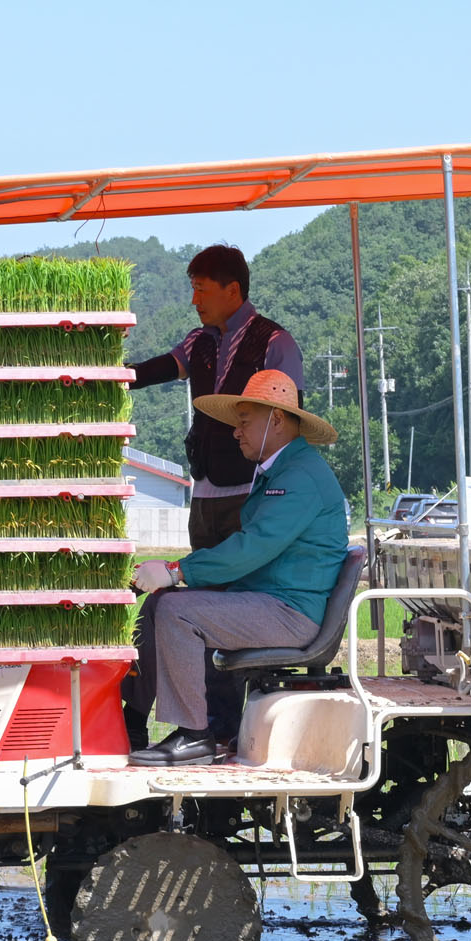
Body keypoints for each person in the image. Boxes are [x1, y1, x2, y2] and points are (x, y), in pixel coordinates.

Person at [126, 370, 348, 766]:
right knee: (160, 604)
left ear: (276, 421)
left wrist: (177, 571)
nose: (236, 432)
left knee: (177, 612)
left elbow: (252, 548)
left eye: (244, 421)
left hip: (289, 612)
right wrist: (174, 578)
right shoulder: (281, 471)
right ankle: (132, 721)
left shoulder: (299, 477)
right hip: (267, 598)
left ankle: (194, 735)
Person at [126, 245, 305, 551]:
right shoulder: (199, 340)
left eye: (201, 290)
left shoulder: (276, 343)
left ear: (232, 290)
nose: (194, 301)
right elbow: (157, 369)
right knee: (203, 576)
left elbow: (292, 420)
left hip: (251, 490)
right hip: (203, 492)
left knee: (245, 577)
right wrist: (107, 372)